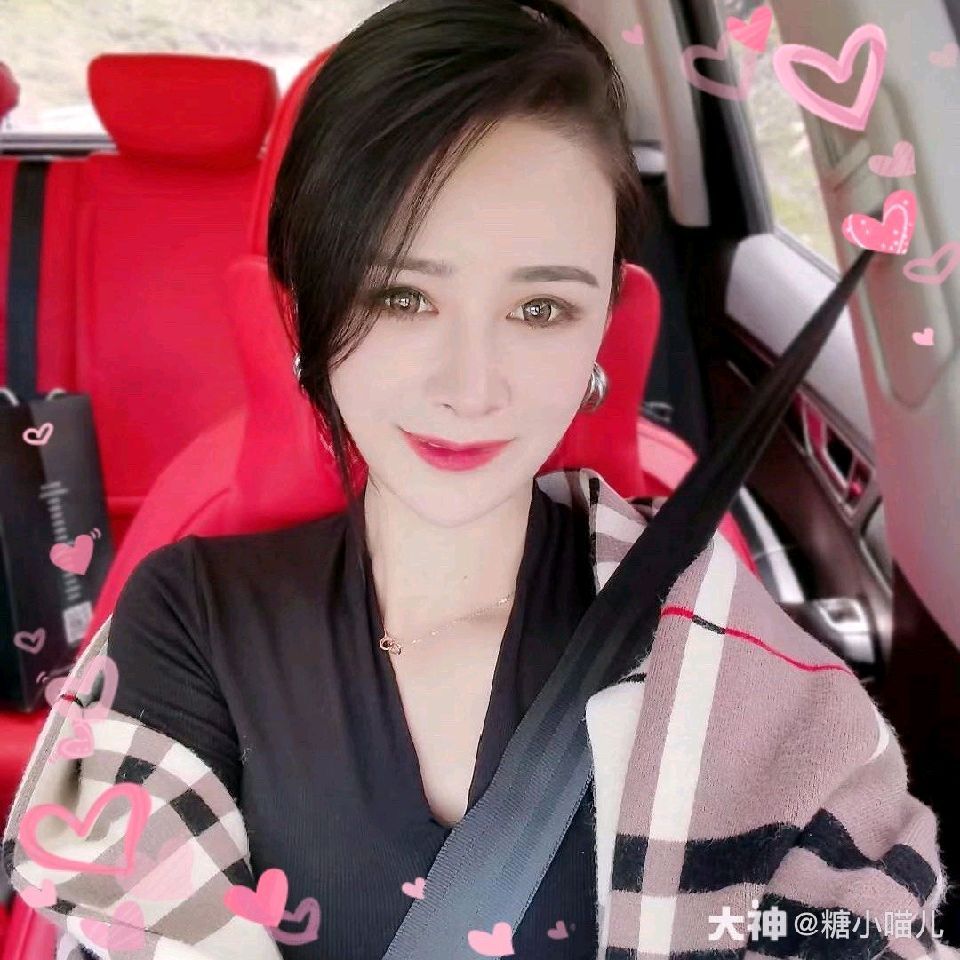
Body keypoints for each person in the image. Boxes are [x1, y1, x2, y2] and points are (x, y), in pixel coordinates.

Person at [2, 1, 955, 958]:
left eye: (540, 308)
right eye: (401, 296)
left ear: (605, 327)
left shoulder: (708, 632)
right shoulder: (189, 621)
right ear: (307, 314)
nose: (470, 388)